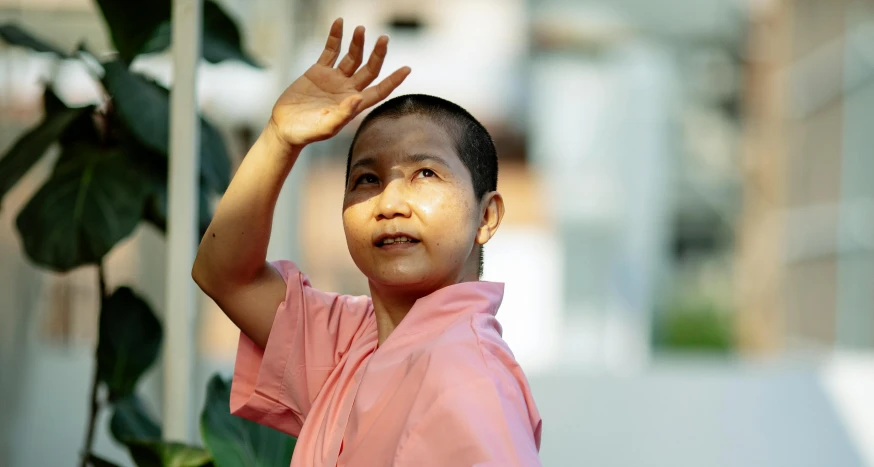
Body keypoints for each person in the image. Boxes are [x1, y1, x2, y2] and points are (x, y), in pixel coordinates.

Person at [192, 17, 542, 467]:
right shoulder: (349, 342)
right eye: (367, 179)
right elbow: (223, 275)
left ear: (487, 216)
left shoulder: (470, 379)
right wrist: (280, 138)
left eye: (425, 174)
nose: (389, 201)